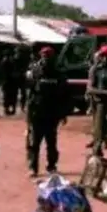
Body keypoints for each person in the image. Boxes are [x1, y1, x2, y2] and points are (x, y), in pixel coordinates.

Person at [26, 46, 67, 178]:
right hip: (36, 113)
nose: (46, 59)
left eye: (48, 56)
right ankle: (33, 168)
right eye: (44, 56)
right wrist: (28, 115)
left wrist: (63, 114)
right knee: (34, 142)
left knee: (51, 142)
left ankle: (51, 166)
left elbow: (63, 95)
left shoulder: (59, 73)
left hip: (51, 113)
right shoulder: (34, 71)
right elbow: (29, 92)